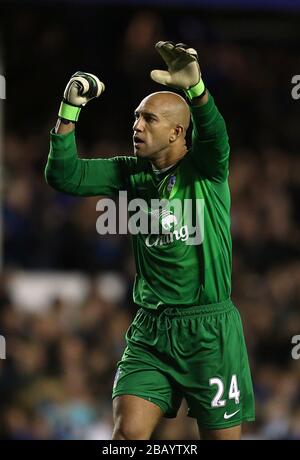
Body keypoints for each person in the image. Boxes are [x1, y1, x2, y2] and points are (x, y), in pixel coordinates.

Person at [45, 41, 255, 440]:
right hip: (151, 332)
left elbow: (215, 134)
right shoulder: (129, 172)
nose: (137, 126)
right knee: (126, 437)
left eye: (149, 119)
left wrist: (197, 91)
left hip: (209, 332)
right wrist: (68, 110)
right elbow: (64, 175)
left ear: (177, 131)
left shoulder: (206, 169)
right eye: (136, 117)